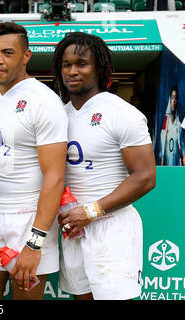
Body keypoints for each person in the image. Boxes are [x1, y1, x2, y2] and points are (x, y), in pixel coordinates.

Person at [52, 32, 156, 300]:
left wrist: (91, 211)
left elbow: (145, 177)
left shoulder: (122, 114)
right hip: (72, 226)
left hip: (112, 227)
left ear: (99, 68)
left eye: (82, 63)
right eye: (66, 64)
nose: (73, 71)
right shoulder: (57, 115)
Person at [0, 22, 68, 300]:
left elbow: (56, 177)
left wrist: (34, 244)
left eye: (7, 53)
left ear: (26, 55)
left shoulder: (44, 101)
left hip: (29, 219)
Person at [159, 85, 183, 166]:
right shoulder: (165, 123)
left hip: (176, 163)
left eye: (176, 98)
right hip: (167, 163)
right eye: (172, 98)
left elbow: (182, 143)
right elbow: (161, 146)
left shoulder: (179, 125)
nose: (174, 101)